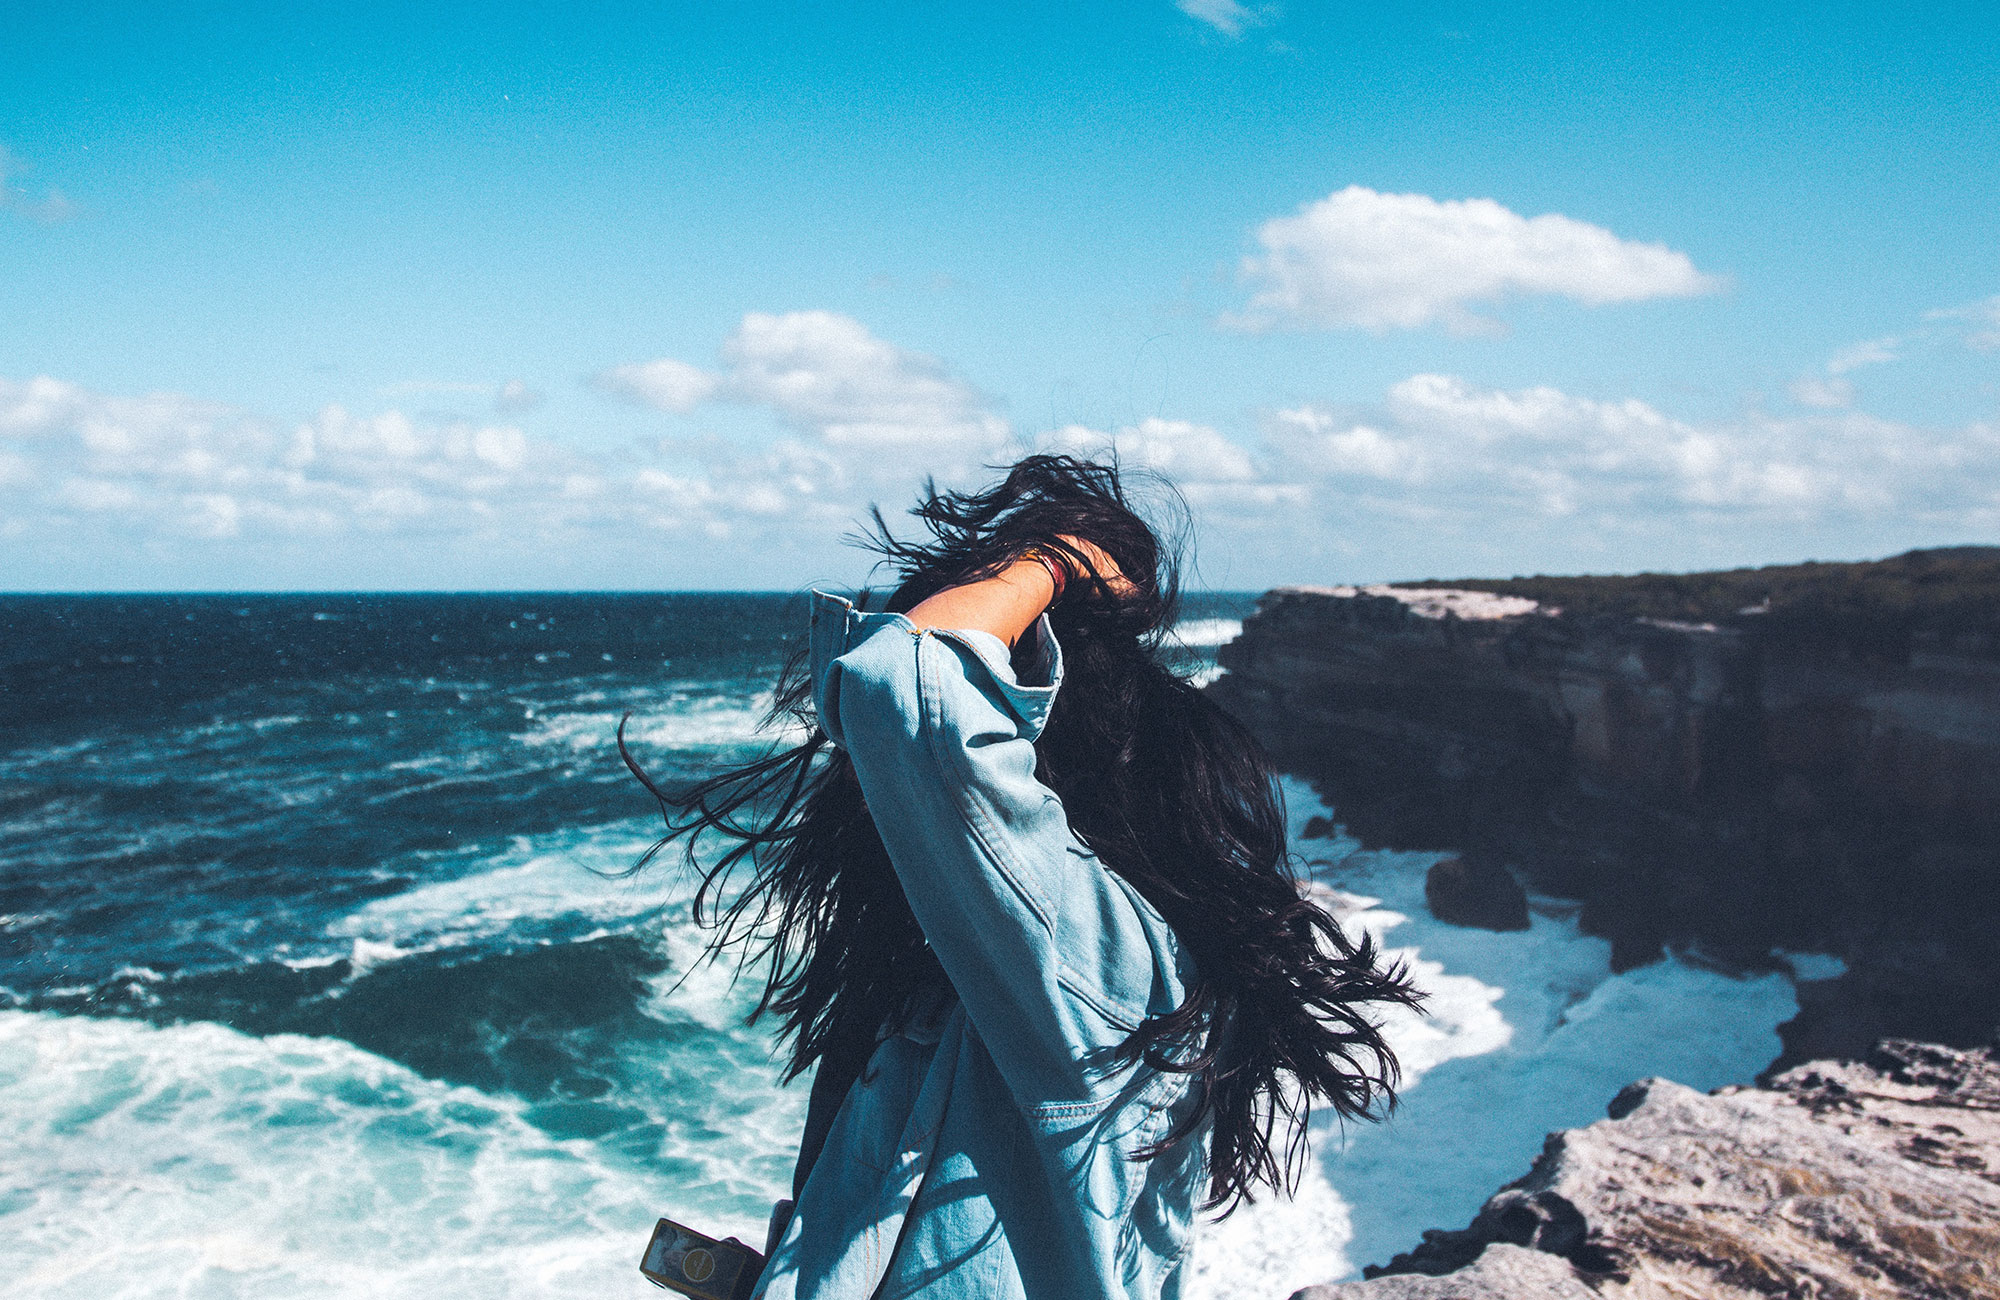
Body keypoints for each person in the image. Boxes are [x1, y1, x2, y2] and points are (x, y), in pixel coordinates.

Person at [623, 455, 1420, 1299]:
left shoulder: (1109, 958)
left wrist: (1054, 557)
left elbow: (903, 683)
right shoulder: (984, 976)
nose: (867, 782)